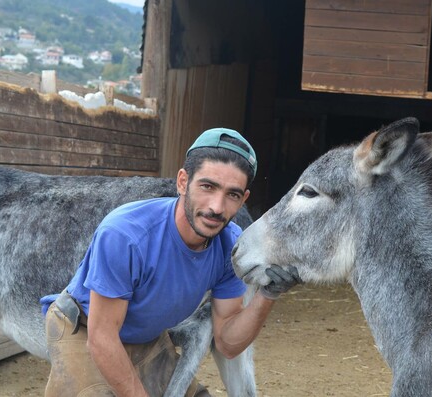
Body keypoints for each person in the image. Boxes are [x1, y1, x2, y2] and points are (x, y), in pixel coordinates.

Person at [40, 127, 302, 397]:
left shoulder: (230, 246)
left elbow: (227, 342)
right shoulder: (125, 234)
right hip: (84, 331)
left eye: (232, 194)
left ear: (244, 199)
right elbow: (102, 338)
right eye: (207, 186)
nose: (216, 207)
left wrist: (267, 295)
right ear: (182, 182)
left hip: (147, 338)